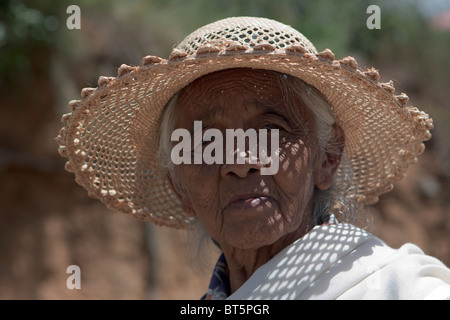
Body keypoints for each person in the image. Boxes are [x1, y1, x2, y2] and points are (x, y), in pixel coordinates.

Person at [57, 16, 450, 299]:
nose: (239, 161)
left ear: (327, 157)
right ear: (180, 187)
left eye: (271, 131)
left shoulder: (399, 289)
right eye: (205, 140)